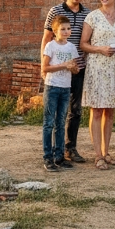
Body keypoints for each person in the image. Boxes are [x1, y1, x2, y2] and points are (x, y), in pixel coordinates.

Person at [80, 0, 115, 171]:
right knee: (97, 110)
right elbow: (83, 44)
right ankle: (98, 155)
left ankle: (106, 152)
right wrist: (100, 49)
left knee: (110, 111)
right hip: (98, 66)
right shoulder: (92, 17)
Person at [42, 0, 89, 163]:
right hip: (56, 71)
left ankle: (70, 148)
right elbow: (46, 40)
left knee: (75, 110)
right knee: (53, 116)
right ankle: (51, 153)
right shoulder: (55, 12)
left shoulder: (88, 14)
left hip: (77, 69)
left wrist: (78, 66)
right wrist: (43, 68)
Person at [41, 16, 80, 172]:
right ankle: (48, 157)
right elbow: (45, 67)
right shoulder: (51, 46)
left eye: (68, 29)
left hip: (65, 87)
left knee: (61, 123)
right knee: (49, 123)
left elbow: (76, 68)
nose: (66, 31)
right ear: (55, 31)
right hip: (52, 86)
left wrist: (73, 68)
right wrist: (64, 65)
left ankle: (59, 156)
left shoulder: (71, 47)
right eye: (62, 29)